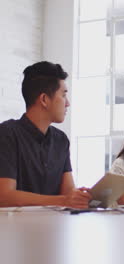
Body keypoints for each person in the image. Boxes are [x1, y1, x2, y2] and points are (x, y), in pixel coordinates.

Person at [0, 61, 91, 208]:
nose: (67, 103)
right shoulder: (7, 134)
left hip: (54, 227)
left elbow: (67, 192)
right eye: (63, 95)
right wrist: (62, 200)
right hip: (15, 229)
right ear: (44, 99)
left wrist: (84, 196)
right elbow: (4, 196)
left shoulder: (61, 140)